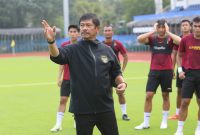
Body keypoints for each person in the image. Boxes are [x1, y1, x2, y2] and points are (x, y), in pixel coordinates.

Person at [42, 13, 127, 135]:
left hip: (105, 107)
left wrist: (122, 83)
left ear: (97, 29)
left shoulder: (107, 50)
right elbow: (57, 56)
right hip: (82, 110)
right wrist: (51, 41)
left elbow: (116, 72)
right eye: (82, 25)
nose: (84, 28)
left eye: (88, 25)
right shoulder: (73, 49)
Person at [134, 19, 181, 130]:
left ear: (166, 28)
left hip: (167, 71)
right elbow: (139, 39)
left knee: (165, 96)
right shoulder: (152, 39)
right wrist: (152, 31)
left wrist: (168, 32)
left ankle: (164, 121)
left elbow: (180, 41)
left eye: (163, 27)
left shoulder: (170, 39)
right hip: (154, 71)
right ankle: (146, 123)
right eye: (159, 27)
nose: (161, 29)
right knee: (148, 95)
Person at [50, 25, 80, 132]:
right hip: (67, 78)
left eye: (75, 31)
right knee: (63, 99)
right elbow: (61, 62)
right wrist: (59, 77)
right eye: (70, 31)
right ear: (68, 33)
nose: (72, 33)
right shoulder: (64, 45)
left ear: (79, 33)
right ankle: (58, 124)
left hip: (79, 79)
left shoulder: (82, 46)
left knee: (78, 101)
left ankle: (77, 121)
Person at [174, 16, 200, 135]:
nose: (197, 29)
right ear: (192, 27)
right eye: (195, 26)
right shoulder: (185, 40)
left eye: (199, 26)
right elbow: (179, 55)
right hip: (189, 74)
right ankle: (179, 130)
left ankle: (198, 128)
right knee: (184, 102)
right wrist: (180, 70)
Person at [103, 25, 130, 121]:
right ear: (103, 32)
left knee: (120, 93)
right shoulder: (101, 44)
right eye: (106, 30)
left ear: (112, 32)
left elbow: (125, 56)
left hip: (115, 73)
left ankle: (124, 114)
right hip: (104, 73)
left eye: (109, 30)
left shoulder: (117, 44)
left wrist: (122, 70)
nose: (107, 32)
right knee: (107, 94)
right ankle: (108, 114)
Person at [168, 19, 191, 120]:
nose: (184, 27)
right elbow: (174, 54)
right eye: (183, 25)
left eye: (186, 25)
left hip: (195, 69)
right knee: (180, 91)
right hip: (181, 69)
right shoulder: (178, 39)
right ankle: (177, 113)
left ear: (190, 27)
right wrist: (172, 69)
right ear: (181, 27)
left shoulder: (195, 38)